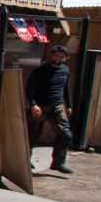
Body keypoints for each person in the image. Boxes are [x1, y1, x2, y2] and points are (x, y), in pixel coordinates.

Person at [26, 44, 74, 174]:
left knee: (66, 135)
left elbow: (66, 88)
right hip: (40, 106)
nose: (58, 58)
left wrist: (69, 105)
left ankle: (58, 163)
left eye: (61, 57)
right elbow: (29, 89)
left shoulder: (65, 70)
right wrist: (33, 105)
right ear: (52, 55)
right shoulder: (40, 71)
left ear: (66, 58)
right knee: (32, 135)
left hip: (57, 106)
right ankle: (25, 162)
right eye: (56, 56)